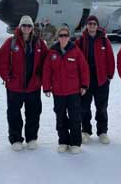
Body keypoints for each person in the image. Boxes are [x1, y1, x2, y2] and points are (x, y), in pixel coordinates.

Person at [0, 16, 48, 151]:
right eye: (24, 25)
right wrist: (7, 77)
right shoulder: (10, 43)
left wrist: (41, 78)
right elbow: (2, 61)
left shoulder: (39, 43)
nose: (26, 28)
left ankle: (31, 138)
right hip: (15, 86)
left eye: (29, 26)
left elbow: (46, 62)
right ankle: (16, 139)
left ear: (32, 28)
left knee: (33, 113)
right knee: (14, 114)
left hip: (33, 86)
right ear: (20, 27)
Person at [43, 26, 89, 154]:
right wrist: (46, 87)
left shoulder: (75, 51)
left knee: (75, 118)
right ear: (57, 37)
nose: (63, 38)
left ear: (69, 37)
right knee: (61, 118)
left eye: (65, 35)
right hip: (58, 92)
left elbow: (84, 69)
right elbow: (47, 71)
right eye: (61, 35)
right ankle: (63, 141)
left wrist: (84, 85)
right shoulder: (52, 52)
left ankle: (75, 142)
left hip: (73, 92)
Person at [75, 15, 115, 144]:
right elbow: (75, 59)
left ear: (97, 26)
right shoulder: (80, 41)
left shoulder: (104, 40)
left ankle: (102, 131)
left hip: (101, 80)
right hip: (86, 80)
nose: (92, 25)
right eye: (90, 23)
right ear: (87, 25)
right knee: (84, 107)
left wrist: (109, 76)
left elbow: (110, 59)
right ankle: (86, 130)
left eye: (94, 23)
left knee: (102, 107)